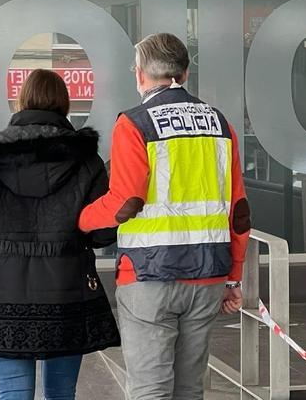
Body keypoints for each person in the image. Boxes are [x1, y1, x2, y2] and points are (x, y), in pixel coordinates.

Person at [79, 33, 251, 399]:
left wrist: (79, 219)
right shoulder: (221, 125)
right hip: (208, 275)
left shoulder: (134, 124)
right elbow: (239, 213)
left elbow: (125, 202)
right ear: (185, 73)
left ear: (140, 75)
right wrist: (233, 278)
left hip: (148, 276)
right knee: (190, 388)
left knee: (150, 389)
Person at [0, 69, 120, 400]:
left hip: (4, 289)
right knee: (62, 394)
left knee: (12, 395)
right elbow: (103, 233)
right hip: (67, 290)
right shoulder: (85, 158)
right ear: (65, 104)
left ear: (20, 101)